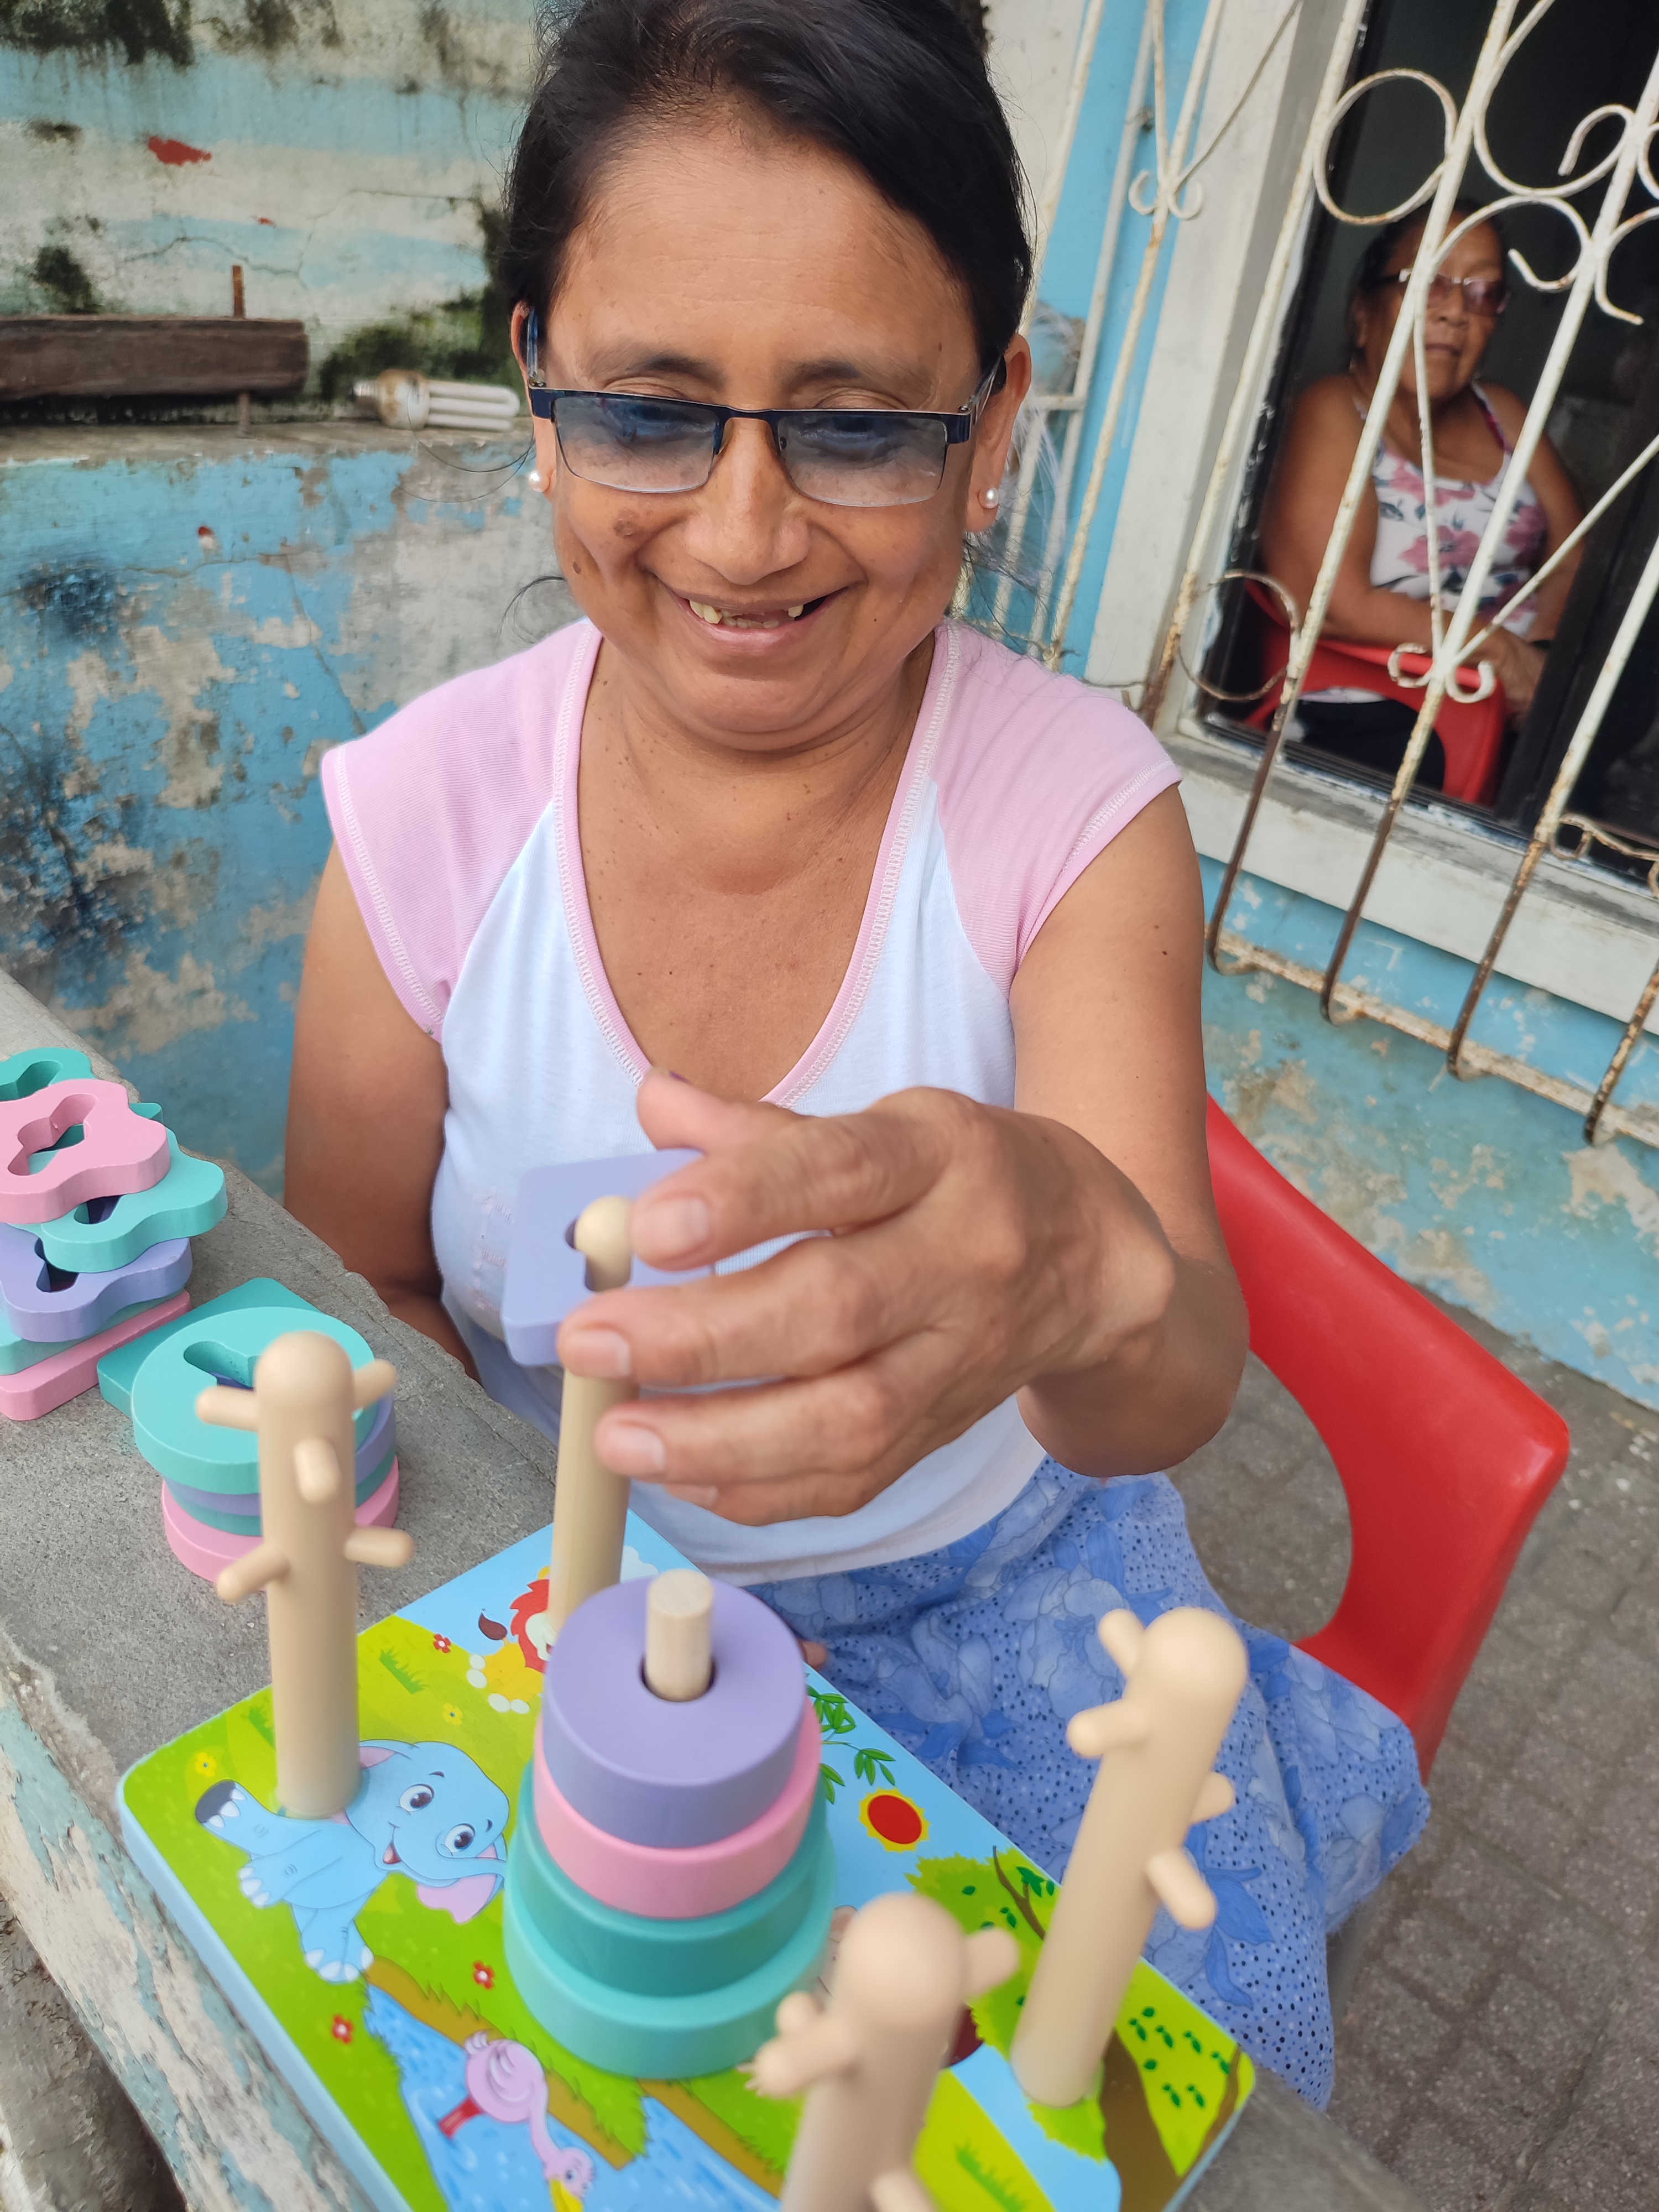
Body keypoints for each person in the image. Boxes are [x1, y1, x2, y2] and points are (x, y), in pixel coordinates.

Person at [286, 0, 1426, 2105]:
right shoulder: (420, 828)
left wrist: (1083, 1265)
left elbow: (1165, 1381)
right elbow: (363, 1290)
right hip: (561, 1589)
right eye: (649, 411)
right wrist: (537, 1589)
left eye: (858, 426)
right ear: (537, 385)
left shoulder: (1069, 816)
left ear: (989, 428)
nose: (740, 535)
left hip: (1003, 1595)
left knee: (1116, 2097)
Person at [1262, 202, 1583, 789]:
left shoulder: (1502, 411)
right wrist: (1499, 654)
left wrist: (1541, 658)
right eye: (1426, 282)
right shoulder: (1333, 411)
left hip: (1515, 699)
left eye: (1483, 292)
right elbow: (1330, 601)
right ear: (1364, 312)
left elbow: (1572, 551)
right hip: (1378, 700)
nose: (1455, 310)